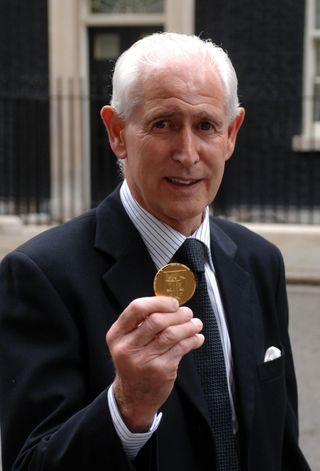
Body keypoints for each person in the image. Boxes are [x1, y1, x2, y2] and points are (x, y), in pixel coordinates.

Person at [0, 32, 310, 471]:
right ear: (117, 133)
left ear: (231, 134)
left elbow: (280, 447)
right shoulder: (42, 275)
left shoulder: (259, 261)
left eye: (205, 125)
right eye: (163, 123)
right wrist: (126, 406)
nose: (187, 154)